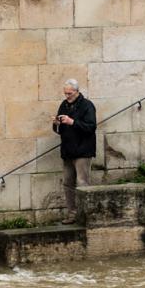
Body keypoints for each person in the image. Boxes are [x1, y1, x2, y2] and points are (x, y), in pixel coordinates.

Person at [53, 79, 97, 223]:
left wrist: (72, 122)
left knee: (82, 182)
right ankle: (72, 214)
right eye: (65, 93)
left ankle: (86, 215)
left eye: (70, 93)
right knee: (67, 182)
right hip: (68, 150)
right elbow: (59, 130)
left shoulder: (87, 105)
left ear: (77, 91)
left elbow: (91, 127)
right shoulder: (64, 105)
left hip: (83, 150)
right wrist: (56, 124)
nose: (67, 96)